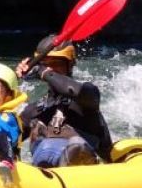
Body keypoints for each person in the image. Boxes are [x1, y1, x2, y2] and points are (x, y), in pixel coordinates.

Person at [15, 37, 112, 168]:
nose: (50, 69)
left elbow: (73, 90)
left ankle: (76, 154)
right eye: (45, 64)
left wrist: (42, 71)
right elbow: (9, 137)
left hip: (88, 176)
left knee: (76, 144)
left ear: (70, 64)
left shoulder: (88, 96)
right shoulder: (34, 111)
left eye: (56, 63)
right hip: (47, 176)